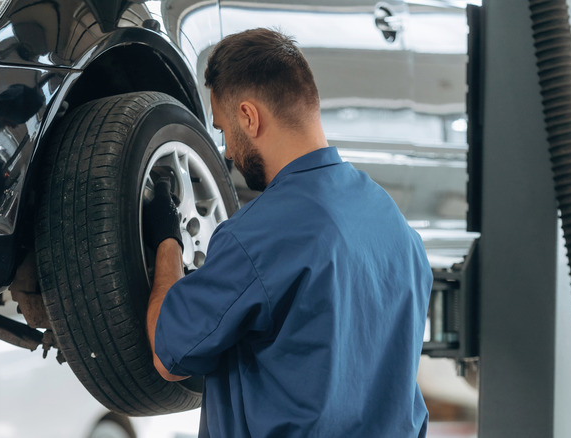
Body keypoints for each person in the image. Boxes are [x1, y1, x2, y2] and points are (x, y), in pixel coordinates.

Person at [143, 28, 432, 437]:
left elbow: (167, 353)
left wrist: (167, 241)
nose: (225, 151)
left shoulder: (259, 235)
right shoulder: (394, 226)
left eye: (224, 130)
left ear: (249, 115)